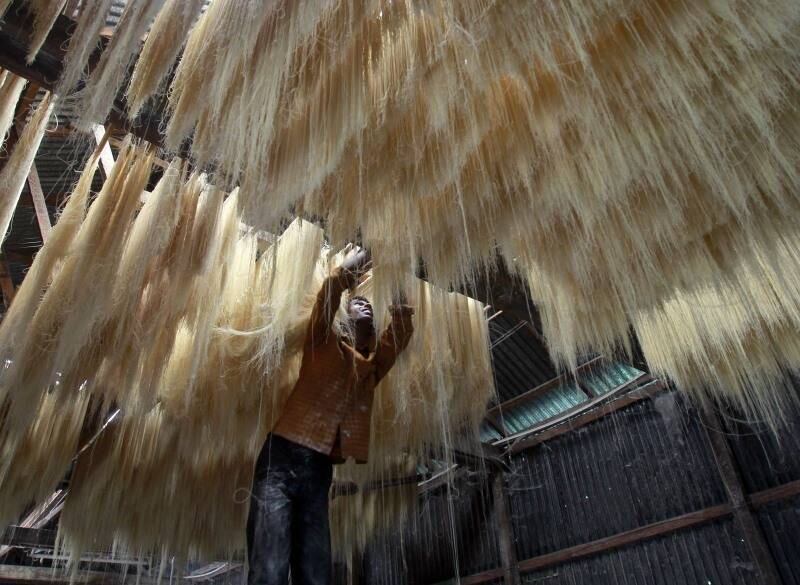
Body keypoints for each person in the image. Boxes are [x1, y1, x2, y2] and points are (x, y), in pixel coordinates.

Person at [246, 249, 415, 585]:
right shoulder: (321, 341)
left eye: (369, 305)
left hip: (319, 469)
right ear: (343, 319)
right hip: (280, 457)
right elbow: (328, 297)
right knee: (270, 566)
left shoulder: (371, 370)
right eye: (357, 303)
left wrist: (396, 280)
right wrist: (353, 269)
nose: (364, 304)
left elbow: (399, 332)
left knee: (316, 570)